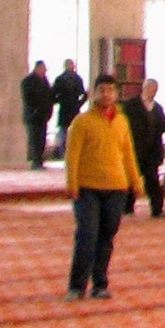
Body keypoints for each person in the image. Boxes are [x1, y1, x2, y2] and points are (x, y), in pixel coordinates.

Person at [65, 74, 143, 299]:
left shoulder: (121, 121)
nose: (106, 94)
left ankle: (100, 284)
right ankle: (76, 286)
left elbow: (128, 153)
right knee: (87, 235)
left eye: (111, 90)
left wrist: (135, 181)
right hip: (87, 187)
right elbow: (73, 156)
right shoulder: (82, 122)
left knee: (107, 237)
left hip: (116, 188)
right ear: (93, 92)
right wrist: (72, 183)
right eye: (102, 90)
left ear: (116, 94)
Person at [123, 77, 165, 218]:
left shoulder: (158, 108)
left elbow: (162, 126)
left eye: (156, 90)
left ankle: (157, 210)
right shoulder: (131, 105)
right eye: (151, 89)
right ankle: (127, 208)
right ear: (144, 88)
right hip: (135, 150)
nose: (154, 92)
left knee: (153, 182)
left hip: (152, 152)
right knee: (132, 181)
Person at [19, 61, 54, 170]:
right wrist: (36, 109)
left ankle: (40, 161)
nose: (44, 71)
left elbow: (49, 96)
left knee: (42, 139)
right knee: (34, 139)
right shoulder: (27, 81)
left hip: (43, 116)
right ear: (37, 68)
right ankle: (35, 161)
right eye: (43, 69)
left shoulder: (45, 81)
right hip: (33, 116)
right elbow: (28, 98)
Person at [50, 59, 87, 157]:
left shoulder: (61, 79)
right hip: (72, 109)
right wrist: (79, 103)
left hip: (67, 109)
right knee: (68, 134)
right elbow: (83, 94)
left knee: (66, 134)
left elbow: (53, 95)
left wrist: (59, 100)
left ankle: (66, 155)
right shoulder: (76, 79)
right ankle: (70, 154)